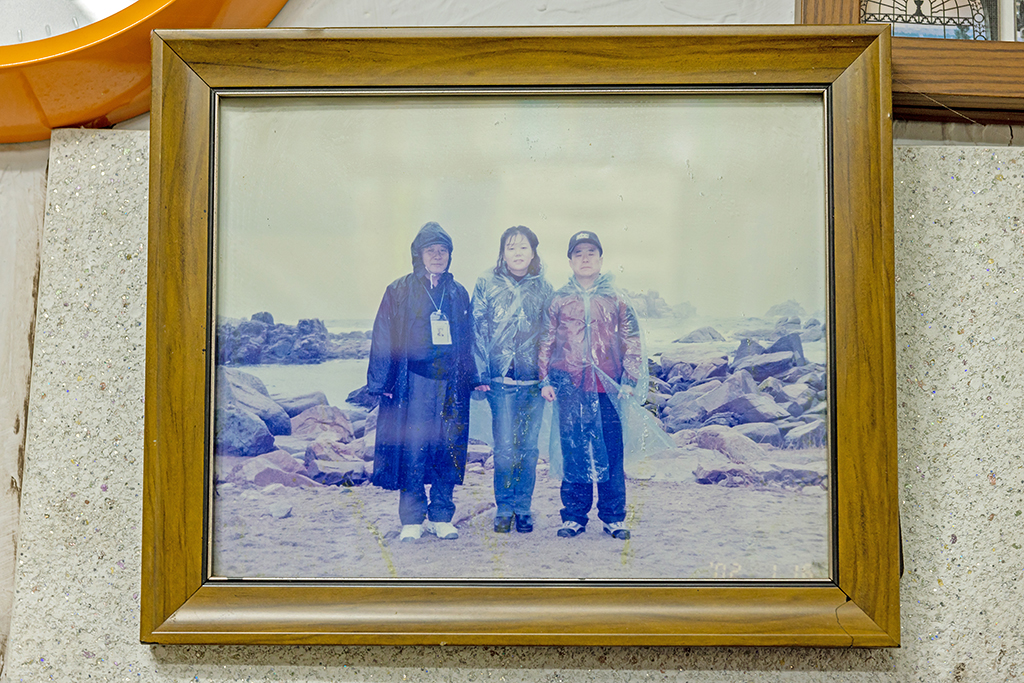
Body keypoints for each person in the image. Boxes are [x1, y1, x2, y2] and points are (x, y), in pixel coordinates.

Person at [366, 222, 479, 542]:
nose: (437, 256)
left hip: (450, 385)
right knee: (412, 448)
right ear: (418, 254)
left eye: (443, 251)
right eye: (431, 250)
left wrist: (474, 378)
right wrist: (381, 382)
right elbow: (383, 336)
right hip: (413, 383)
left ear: (450, 255)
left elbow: (468, 340)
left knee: (447, 447)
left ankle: (441, 516)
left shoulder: (457, 293)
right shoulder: (398, 290)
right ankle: (412, 519)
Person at [538, 230, 642, 540]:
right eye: (578, 253)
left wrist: (630, 380)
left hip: (608, 388)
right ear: (570, 261)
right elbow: (546, 341)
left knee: (612, 452)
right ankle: (574, 516)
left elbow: (631, 340)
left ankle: (613, 517)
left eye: (591, 253)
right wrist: (544, 379)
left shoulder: (616, 298)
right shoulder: (558, 299)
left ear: (600, 259)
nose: (585, 258)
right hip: (570, 386)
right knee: (574, 451)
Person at [471, 226, 553, 534]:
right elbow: (477, 328)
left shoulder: (544, 288)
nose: (517, 253)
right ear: (502, 253)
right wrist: (480, 374)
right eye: (511, 247)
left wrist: (547, 378)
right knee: (505, 448)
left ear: (533, 253)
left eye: (523, 248)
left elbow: (549, 336)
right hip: (500, 381)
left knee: (529, 449)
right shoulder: (486, 283)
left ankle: (523, 507)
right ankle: (504, 507)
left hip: (533, 382)